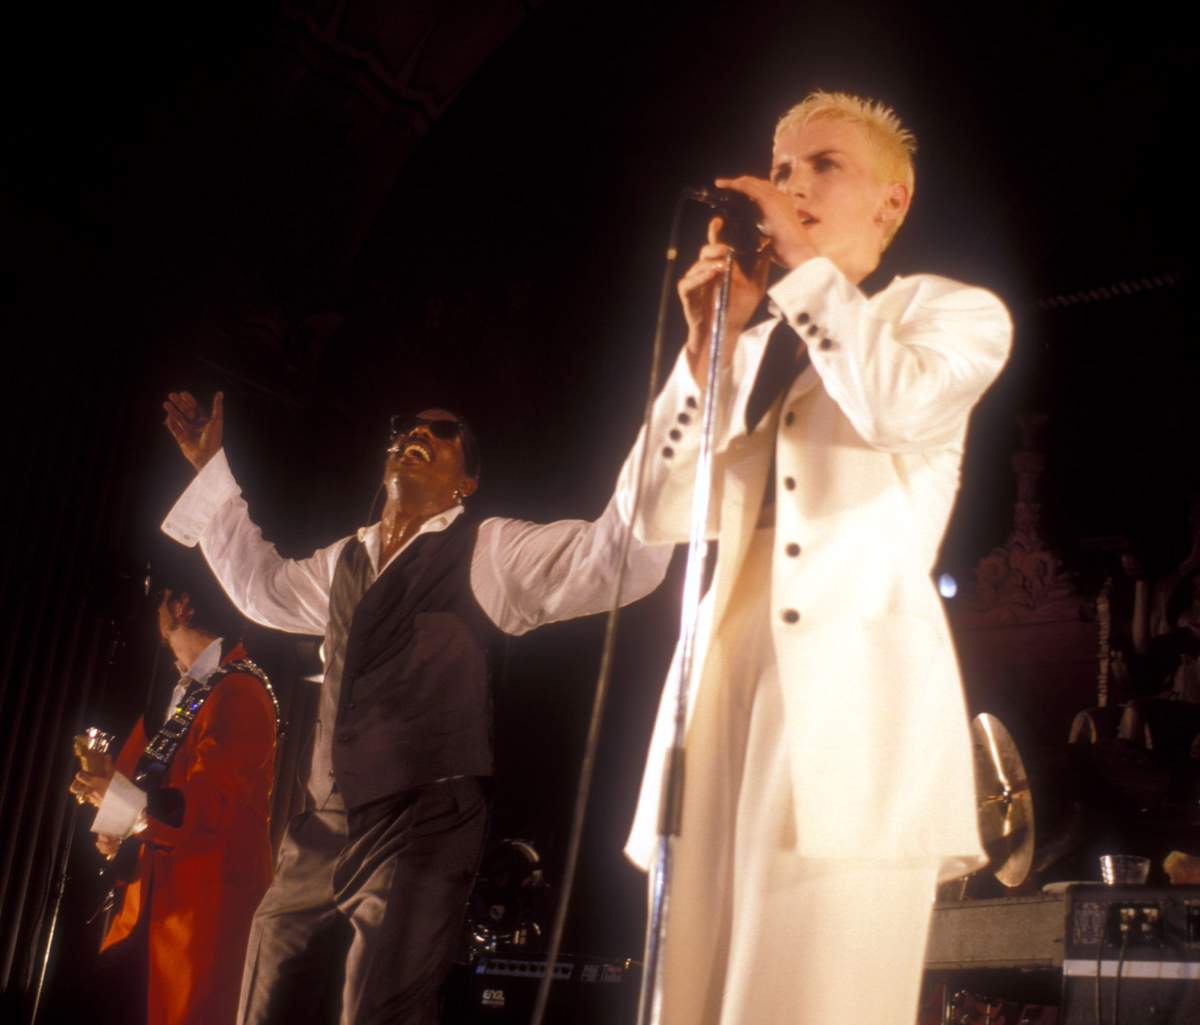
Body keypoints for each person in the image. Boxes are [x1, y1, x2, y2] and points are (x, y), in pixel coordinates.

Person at [615, 91, 1013, 1024]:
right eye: (781, 167)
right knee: (688, 994)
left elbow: (896, 407)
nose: (790, 185)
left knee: (805, 993)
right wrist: (706, 345)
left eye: (822, 165)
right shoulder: (751, 350)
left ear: (892, 202)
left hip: (852, 710)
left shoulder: (951, 314)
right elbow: (656, 510)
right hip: (717, 687)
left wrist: (801, 275)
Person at [158, 396, 672, 1025]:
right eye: (406, 430)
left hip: (423, 819)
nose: (417, 437)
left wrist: (676, 431)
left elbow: (608, 558)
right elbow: (263, 587)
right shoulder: (346, 558)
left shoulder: (489, 549)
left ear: (467, 482)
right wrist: (211, 468)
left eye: (443, 431)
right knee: (269, 988)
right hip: (326, 818)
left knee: (378, 1005)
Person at [69, 577, 278, 1025]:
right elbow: (134, 789)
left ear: (182, 605)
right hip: (149, 912)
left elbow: (206, 808)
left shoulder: (240, 691)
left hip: (199, 918)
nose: (154, 613)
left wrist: (122, 801)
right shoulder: (181, 695)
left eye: (159, 599)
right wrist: (110, 814)